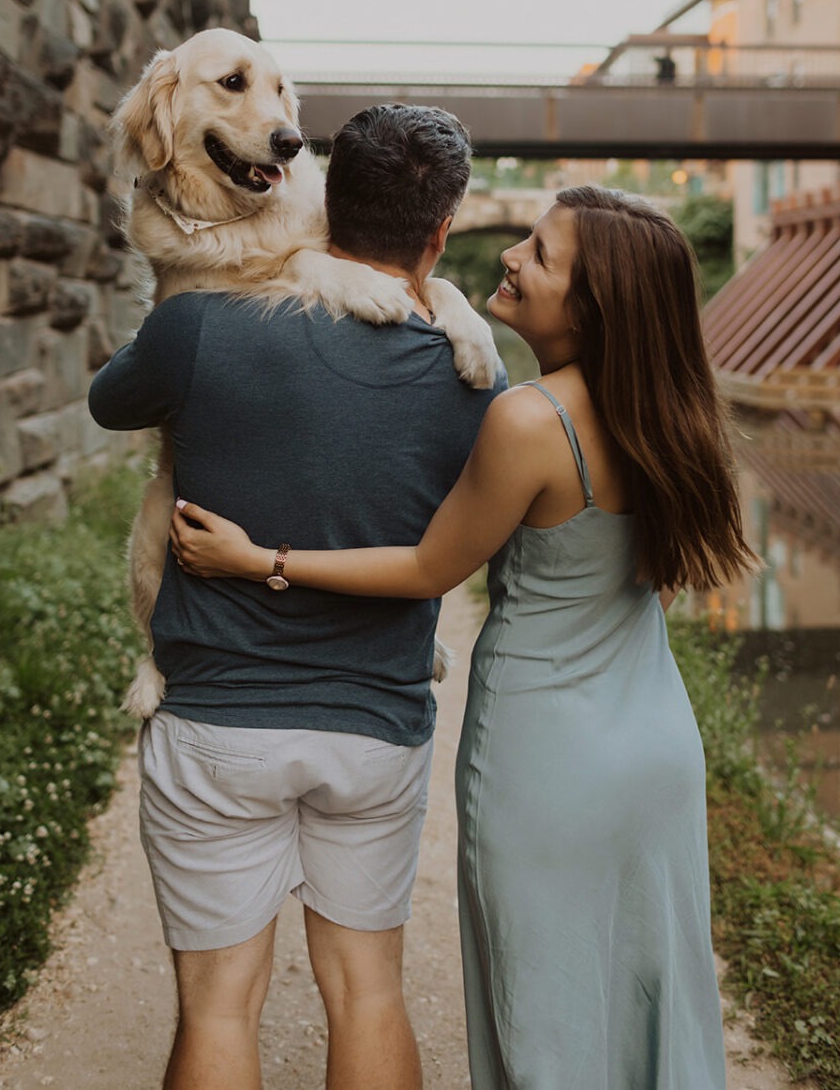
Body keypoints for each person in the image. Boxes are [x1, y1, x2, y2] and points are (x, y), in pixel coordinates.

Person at [170, 185, 755, 1090]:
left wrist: (262, 561)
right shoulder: (673, 418)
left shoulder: (528, 419)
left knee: (541, 1005)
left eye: (540, 254)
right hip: (655, 752)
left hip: (546, 756)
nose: (511, 256)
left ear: (592, 307)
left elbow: (426, 570)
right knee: (645, 991)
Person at [88, 103, 506, 1090]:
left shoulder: (194, 327)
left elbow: (111, 400)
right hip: (374, 727)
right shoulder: (471, 382)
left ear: (319, 198)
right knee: (368, 992)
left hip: (217, 728)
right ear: (441, 231)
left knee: (220, 1008)